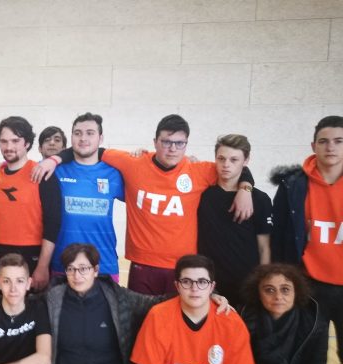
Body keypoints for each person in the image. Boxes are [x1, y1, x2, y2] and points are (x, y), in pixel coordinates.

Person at [36, 114, 254, 295]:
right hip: (141, 265)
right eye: (166, 142)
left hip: (182, 266)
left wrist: (245, 188)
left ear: (186, 144)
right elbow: (91, 150)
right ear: (155, 142)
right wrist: (54, 159)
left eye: (179, 143)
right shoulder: (132, 163)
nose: (172, 148)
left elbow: (235, 166)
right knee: (140, 323)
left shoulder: (199, 170)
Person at [270, 115, 343, 364]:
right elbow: (279, 237)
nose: (331, 147)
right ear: (313, 145)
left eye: (339, 141)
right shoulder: (293, 185)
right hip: (309, 286)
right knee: (307, 356)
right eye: (324, 141)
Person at [197, 134, 271, 307]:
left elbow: (264, 247)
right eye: (221, 158)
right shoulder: (202, 195)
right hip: (209, 285)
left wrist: (264, 281)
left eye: (234, 160)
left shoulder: (260, 199)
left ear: (246, 161)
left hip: (247, 284)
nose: (226, 165)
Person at [51, 113, 124, 280]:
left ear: (101, 138)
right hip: (63, 265)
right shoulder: (55, 171)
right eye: (77, 133)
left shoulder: (114, 173)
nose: (83, 138)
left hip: (104, 265)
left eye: (90, 133)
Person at [0, 116, 62, 291]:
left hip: (33, 256)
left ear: (27, 144)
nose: (9, 147)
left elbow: (53, 224)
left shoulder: (42, 175)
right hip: (1, 253)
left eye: (15, 141)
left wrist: (43, 266)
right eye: (4, 141)